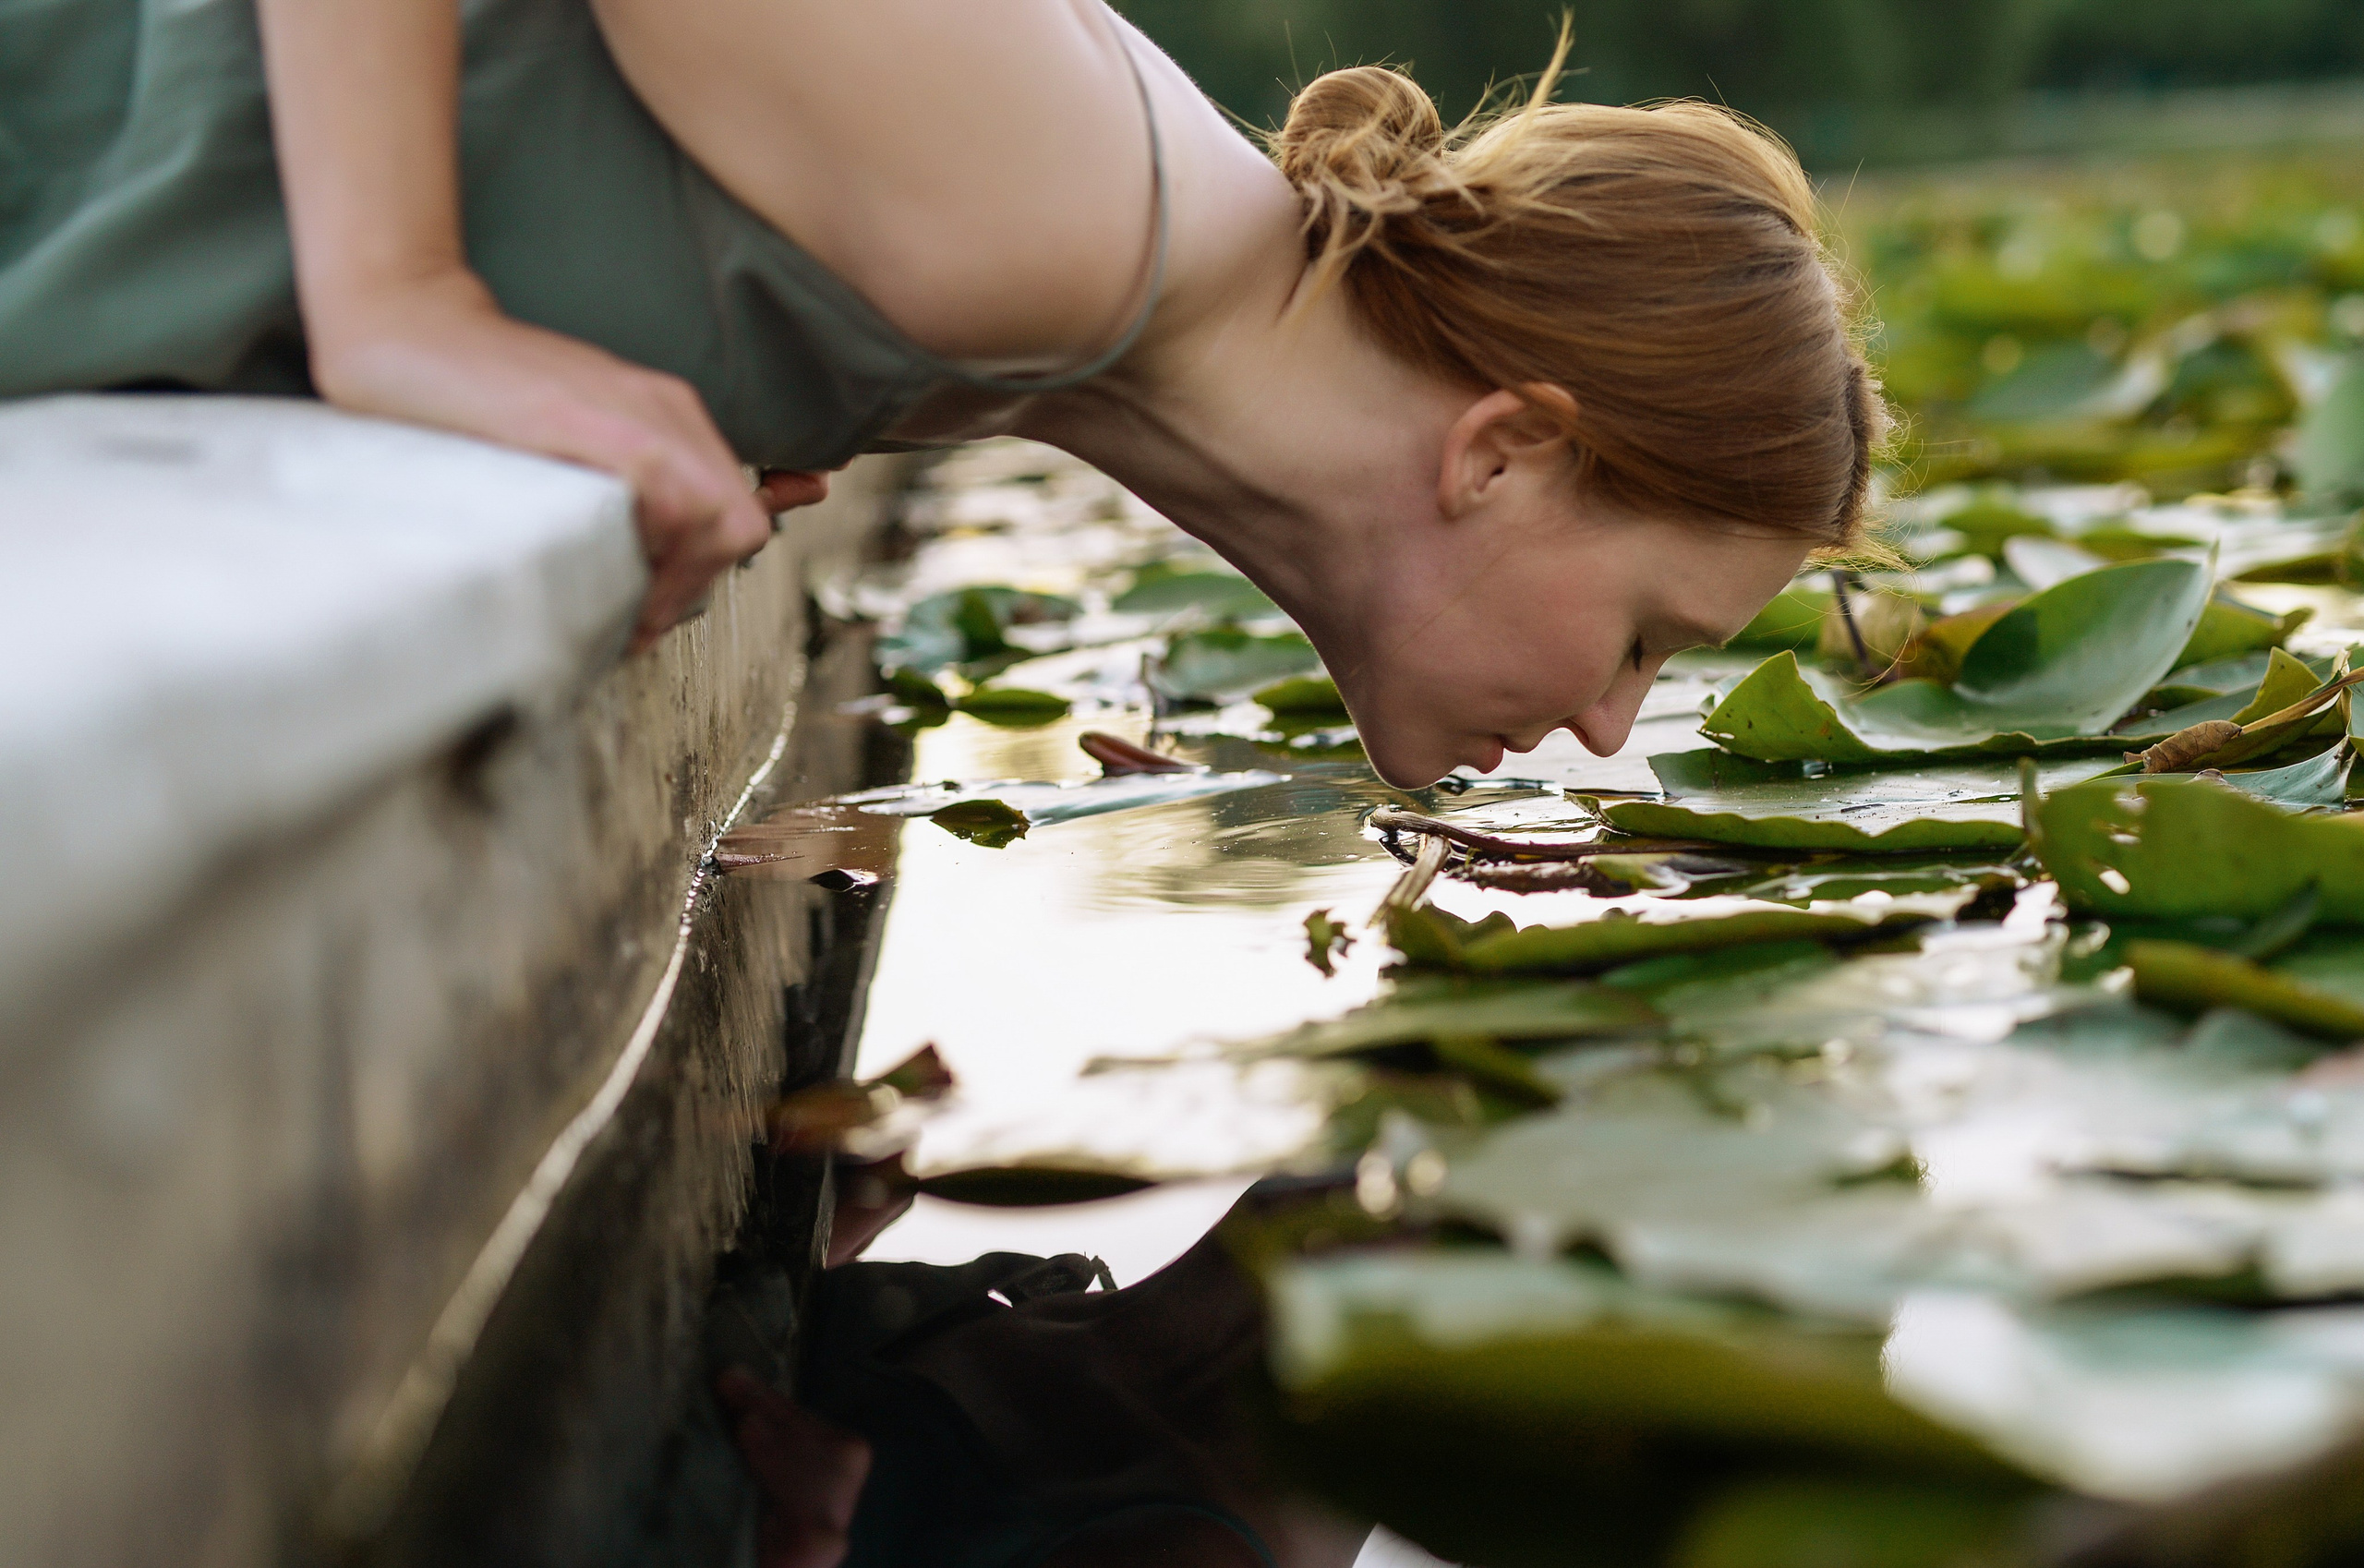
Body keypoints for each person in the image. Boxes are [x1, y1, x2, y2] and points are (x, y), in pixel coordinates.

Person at [1, 0, 1882, 788]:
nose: (1611, 733)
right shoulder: (1050, 213)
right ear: (1507, 446)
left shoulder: (1026, 342)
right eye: (1643, 633)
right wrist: (400, 294)